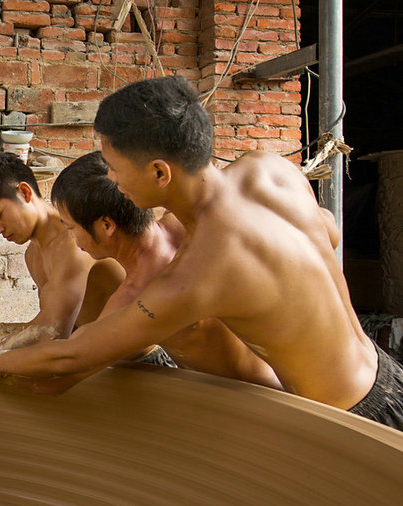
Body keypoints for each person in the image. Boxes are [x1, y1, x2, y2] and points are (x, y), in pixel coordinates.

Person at [0, 76, 402, 430]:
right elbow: (330, 234)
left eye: (116, 170)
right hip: (385, 371)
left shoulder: (198, 272)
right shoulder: (269, 170)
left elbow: (66, 361)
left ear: (160, 173)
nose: (113, 181)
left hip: (354, 414)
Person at [48, 151, 281, 388]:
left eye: (71, 227)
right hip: (240, 383)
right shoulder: (186, 223)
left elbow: (72, 361)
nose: (71, 237)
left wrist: (8, 360)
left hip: (261, 396)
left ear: (107, 225)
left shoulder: (135, 294)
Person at [0, 152, 124, 352]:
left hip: (139, 363)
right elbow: (53, 326)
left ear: (25, 192)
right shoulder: (32, 254)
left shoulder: (74, 242)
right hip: (95, 357)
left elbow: (53, 331)